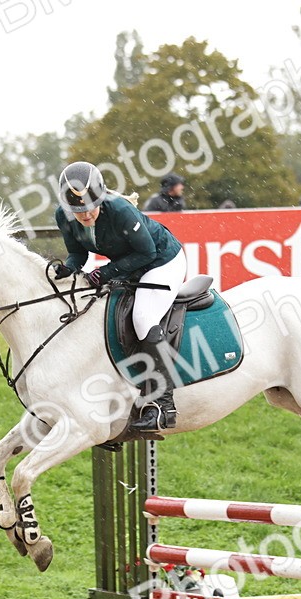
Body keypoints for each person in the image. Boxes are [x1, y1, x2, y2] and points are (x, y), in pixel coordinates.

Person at [53, 161, 187, 431]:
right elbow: (78, 253)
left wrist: (106, 272)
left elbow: (146, 253)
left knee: (143, 318)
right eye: (78, 211)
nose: (86, 214)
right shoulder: (63, 215)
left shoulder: (121, 210)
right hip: (130, 264)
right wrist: (68, 269)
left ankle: (163, 404)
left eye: (90, 207)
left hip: (162, 261)